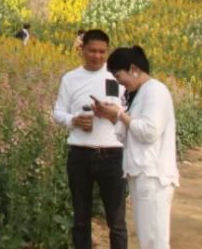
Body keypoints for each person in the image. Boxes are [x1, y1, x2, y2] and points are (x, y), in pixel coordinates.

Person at [93, 46, 177, 249]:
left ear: (133, 69)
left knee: (154, 240)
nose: (119, 82)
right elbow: (130, 134)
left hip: (153, 176)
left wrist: (120, 114)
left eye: (119, 76)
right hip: (141, 174)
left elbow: (149, 132)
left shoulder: (155, 91)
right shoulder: (140, 94)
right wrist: (112, 115)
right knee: (147, 238)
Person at [52, 29, 127, 249]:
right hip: (80, 154)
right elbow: (57, 112)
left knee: (117, 221)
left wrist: (110, 111)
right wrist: (74, 120)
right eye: (92, 51)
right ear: (82, 50)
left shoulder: (114, 78)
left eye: (102, 52)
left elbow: (125, 110)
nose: (97, 56)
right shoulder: (70, 78)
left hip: (112, 155)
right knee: (81, 219)